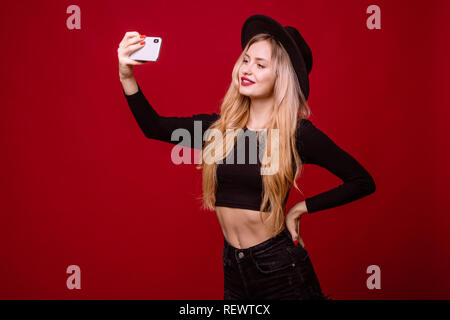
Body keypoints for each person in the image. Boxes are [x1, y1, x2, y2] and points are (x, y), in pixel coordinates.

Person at [117, 14, 376, 300]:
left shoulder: (298, 134)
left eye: (260, 64)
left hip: (280, 268)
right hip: (234, 266)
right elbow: (153, 127)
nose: (246, 69)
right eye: (246, 59)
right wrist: (126, 75)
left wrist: (300, 209)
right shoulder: (218, 130)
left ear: (281, 78)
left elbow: (361, 181)